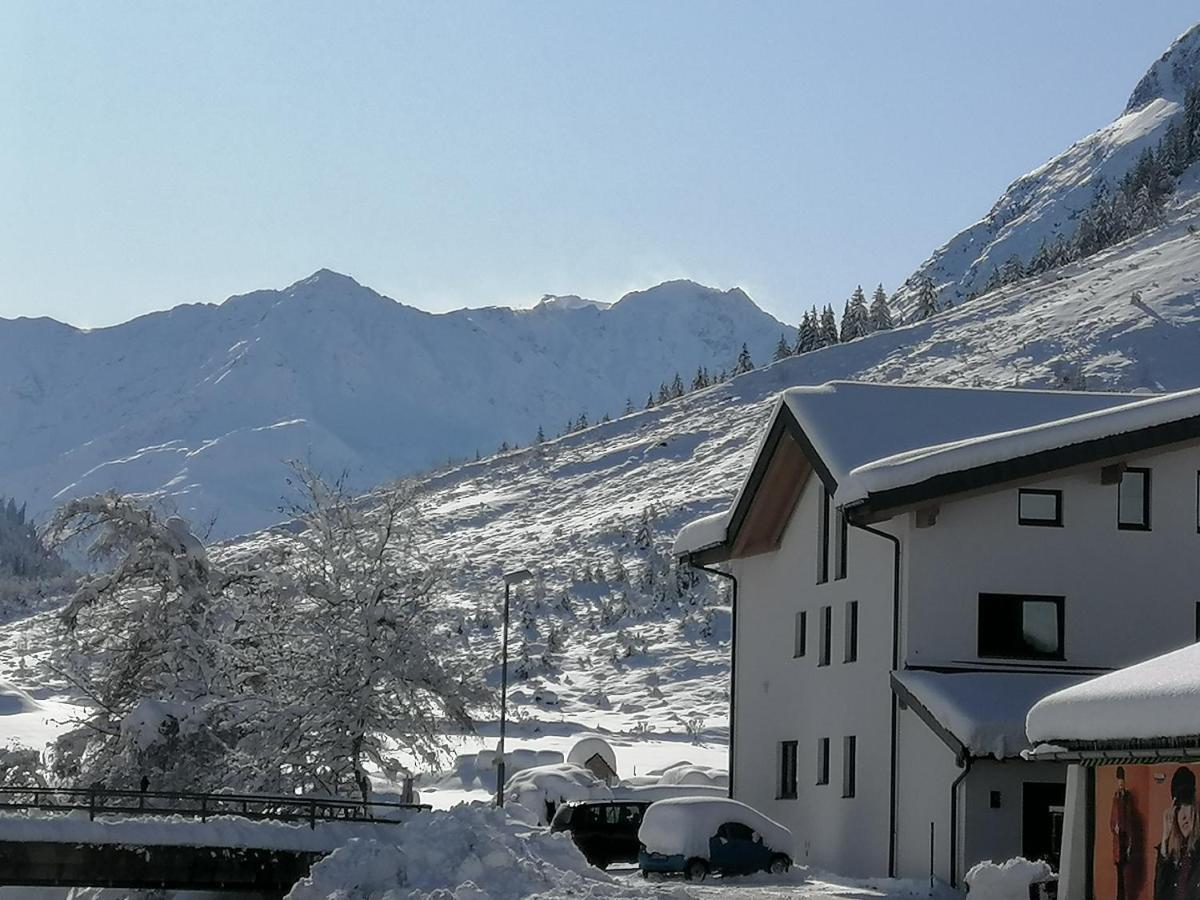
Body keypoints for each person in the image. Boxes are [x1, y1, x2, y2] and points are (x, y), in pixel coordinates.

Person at [1155, 767, 1200, 900]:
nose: (1184, 817)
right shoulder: (1168, 857)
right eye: (1179, 808)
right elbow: (1159, 895)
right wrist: (1165, 839)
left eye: (1188, 806)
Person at [1114, 767, 1135, 900]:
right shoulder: (1115, 798)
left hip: (1126, 836)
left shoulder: (1127, 799)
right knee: (1119, 872)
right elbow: (1112, 817)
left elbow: (1129, 818)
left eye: (1123, 783)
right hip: (1118, 838)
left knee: (1127, 872)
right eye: (1119, 783)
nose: (1121, 785)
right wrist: (1114, 827)